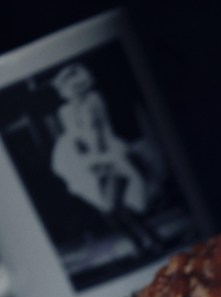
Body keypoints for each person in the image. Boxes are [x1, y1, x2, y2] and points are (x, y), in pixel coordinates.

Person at [50, 62, 165, 253]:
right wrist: (84, 160)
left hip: (109, 155)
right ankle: (142, 243)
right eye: (68, 87)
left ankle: (151, 241)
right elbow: (73, 137)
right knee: (109, 210)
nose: (74, 90)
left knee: (115, 205)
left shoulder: (94, 99)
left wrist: (101, 161)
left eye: (78, 85)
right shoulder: (64, 111)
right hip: (86, 160)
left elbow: (98, 132)